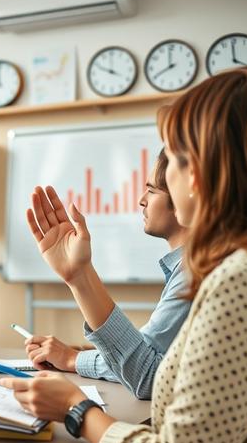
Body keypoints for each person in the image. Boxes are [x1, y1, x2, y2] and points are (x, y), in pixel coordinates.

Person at [1, 66, 247, 443]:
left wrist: (76, 409)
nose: (165, 176)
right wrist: (78, 276)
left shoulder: (238, 278)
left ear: (201, 172)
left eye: (173, 159)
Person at [24, 150, 190, 399]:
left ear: (187, 196)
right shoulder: (187, 267)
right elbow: (150, 359)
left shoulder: (196, 272)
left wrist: (73, 359)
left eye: (152, 190)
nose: (141, 200)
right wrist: (76, 357)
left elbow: (147, 373)